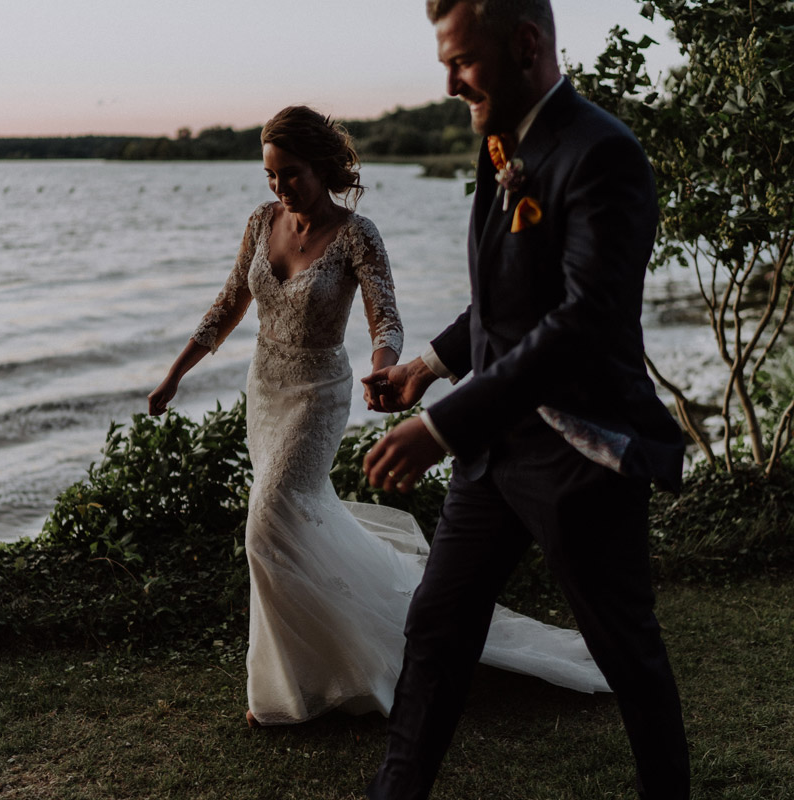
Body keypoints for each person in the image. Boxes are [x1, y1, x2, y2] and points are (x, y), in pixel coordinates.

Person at [148, 105, 609, 728]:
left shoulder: (358, 234)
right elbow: (229, 302)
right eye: (270, 176)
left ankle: (302, 688)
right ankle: (311, 677)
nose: (281, 188)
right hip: (266, 389)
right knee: (290, 525)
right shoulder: (261, 223)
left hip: (319, 393)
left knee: (266, 521)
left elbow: (384, 317)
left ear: (323, 168)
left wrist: (386, 364)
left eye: (292, 175)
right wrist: (177, 373)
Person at [360, 2, 691, 798]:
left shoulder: (602, 153)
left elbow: (581, 322)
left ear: (526, 45)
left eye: (462, 62)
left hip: (581, 454)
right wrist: (431, 366)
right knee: (437, 629)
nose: (447, 83)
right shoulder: (502, 143)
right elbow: (509, 303)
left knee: (626, 653)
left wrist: (440, 426)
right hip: (494, 455)